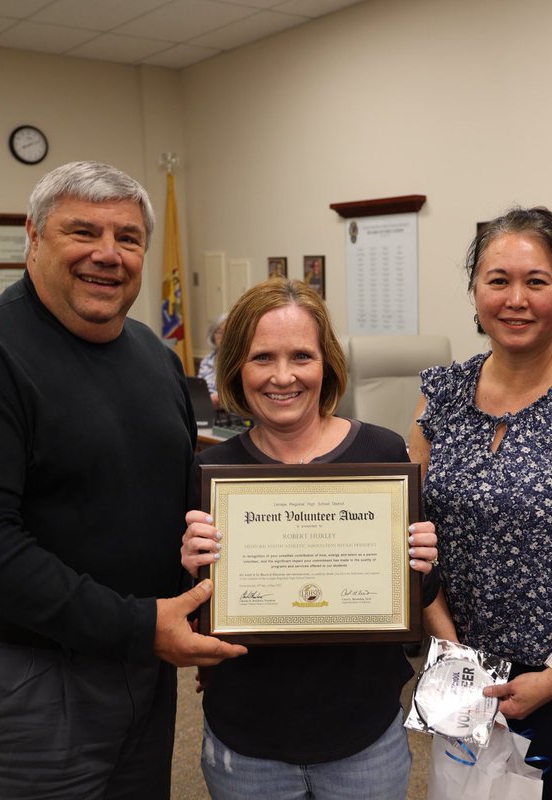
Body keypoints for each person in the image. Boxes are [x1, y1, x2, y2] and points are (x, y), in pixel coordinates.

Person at [0, 161, 247, 799]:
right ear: (33, 238)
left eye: (128, 238)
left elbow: (177, 497)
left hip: (141, 662)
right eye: (82, 232)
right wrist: (141, 626)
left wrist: (208, 606)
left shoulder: (151, 353)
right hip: (21, 675)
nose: (107, 255)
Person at [180, 277, 439, 799]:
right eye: (262, 358)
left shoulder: (382, 454)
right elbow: (187, 620)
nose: (283, 377)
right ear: (236, 367)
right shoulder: (211, 471)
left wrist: (423, 567)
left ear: (327, 365)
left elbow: (419, 603)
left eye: (301, 356)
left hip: (362, 737)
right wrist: (190, 572)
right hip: (247, 740)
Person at [409, 207, 552, 799]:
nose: (516, 299)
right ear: (474, 291)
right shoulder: (442, 392)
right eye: (497, 280)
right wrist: (452, 649)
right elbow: (412, 538)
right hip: (459, 667)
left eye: (536, 281)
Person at [198, 312, 227, 408]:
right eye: (219, 332)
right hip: (208, 409)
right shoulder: (206, 361)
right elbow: (199, 389)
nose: (223, 336)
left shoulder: (240, 359)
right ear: (213, 335)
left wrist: (222, 399)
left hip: (233, 414)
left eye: (227, 331)